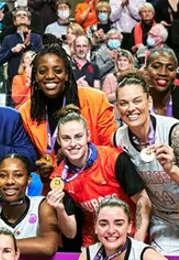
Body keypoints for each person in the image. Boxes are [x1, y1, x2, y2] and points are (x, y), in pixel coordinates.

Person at [113, 73, 179, 255]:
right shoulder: (118, 139)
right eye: (124, 103)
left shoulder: (176, 132)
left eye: (137, 101)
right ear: (117, 108)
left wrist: (172, 169)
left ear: (149, 102)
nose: (131, 108)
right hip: (161, 221)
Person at [16, 44, 117, 178]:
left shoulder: (96, 100)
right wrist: (39, 168)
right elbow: (30, 156)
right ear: (35, 76)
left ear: (67, 74)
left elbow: (112, 150)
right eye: (42, 71)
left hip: (97, 184)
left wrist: (78, 155)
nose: (50, 76)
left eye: (57, 70)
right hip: (54, 189)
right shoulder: (26, 112)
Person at [51, 109, 147, 247]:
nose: (73, 144)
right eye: (66, 138)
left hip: (130, 236)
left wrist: (138, 241)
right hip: (94, 241)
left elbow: (143, 201)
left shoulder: (114, 159)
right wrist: (60, 209)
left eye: (78, 136)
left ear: (88, 136)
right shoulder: (60, 179)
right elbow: (70, 233)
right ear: (59, 141)